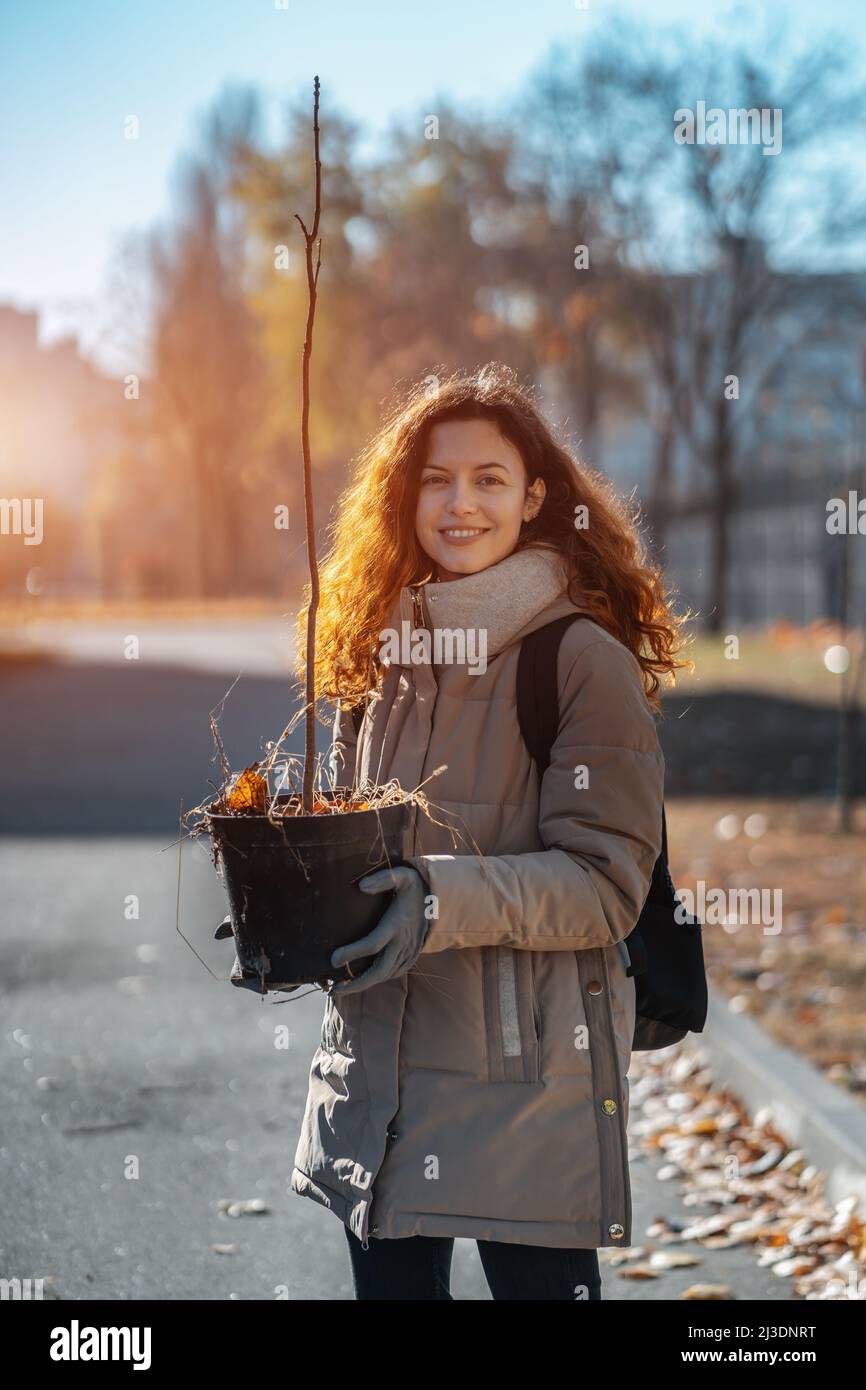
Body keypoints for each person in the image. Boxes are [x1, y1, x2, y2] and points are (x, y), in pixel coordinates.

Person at [288, 362, 687, 1300]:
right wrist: (293, 910)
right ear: (405, 496)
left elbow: (605, 885)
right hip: (375, 1078)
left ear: (534, 498)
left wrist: (437, 901)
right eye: (436, 478)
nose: (459, 503)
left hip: (524, 1085)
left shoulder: (579, 660)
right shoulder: (383, 651)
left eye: (489, 479)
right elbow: (360, 851)